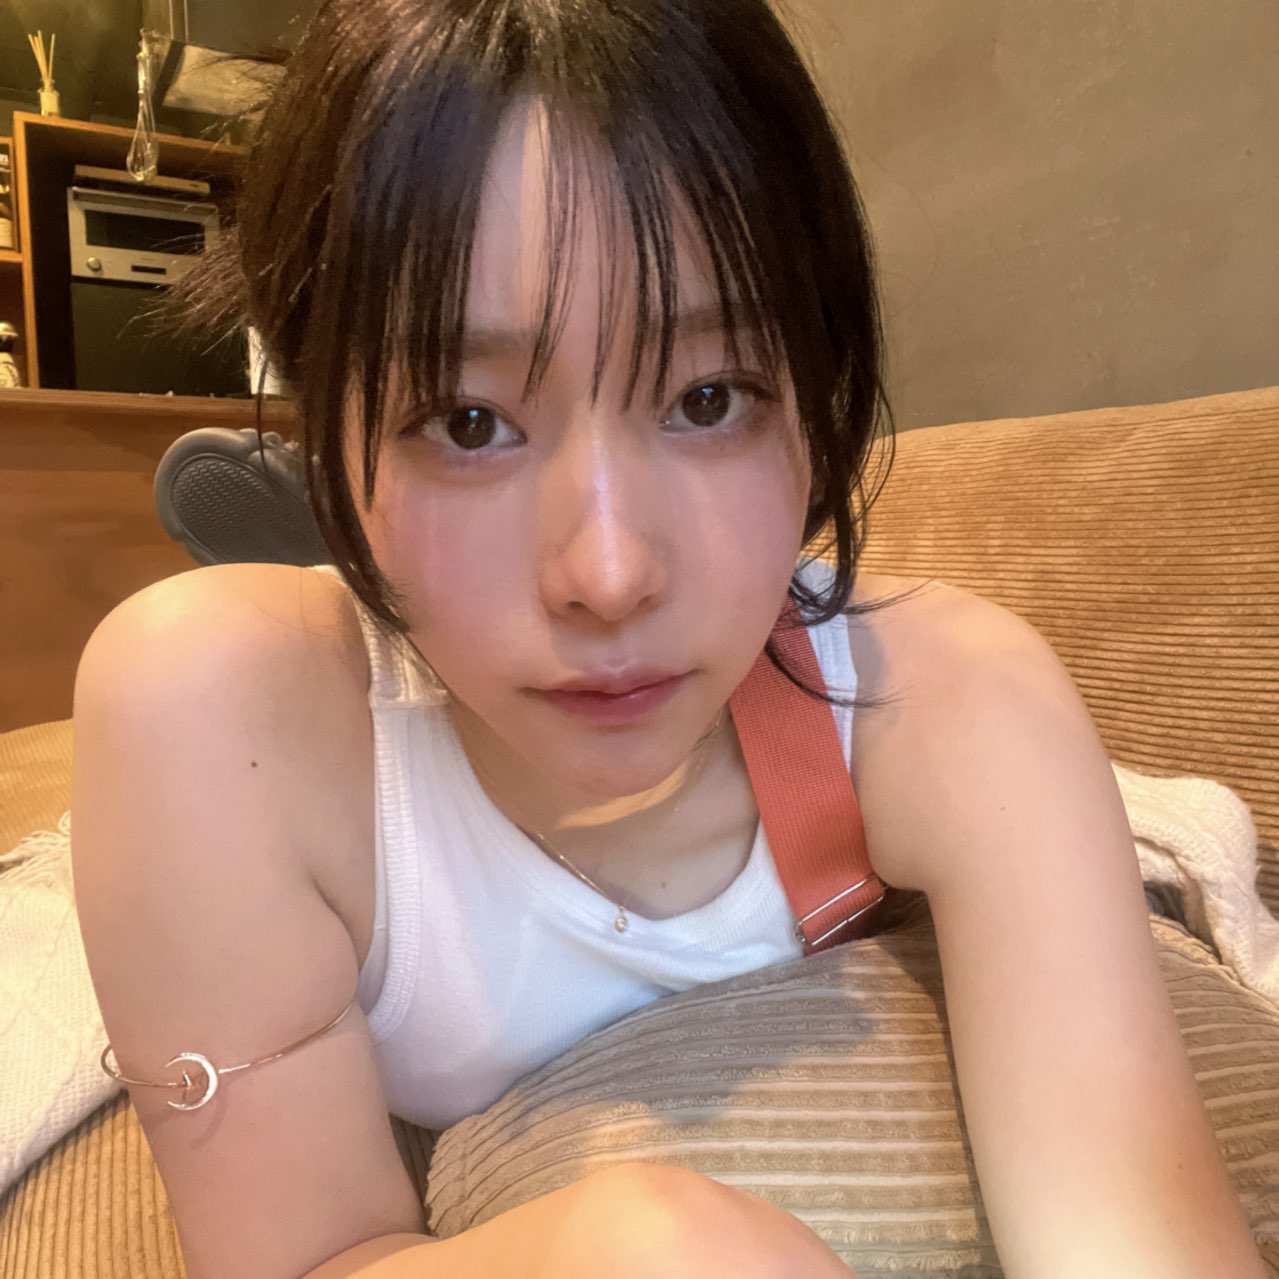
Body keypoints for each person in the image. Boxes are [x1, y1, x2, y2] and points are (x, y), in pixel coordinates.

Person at [69, 2, 1267, 1277]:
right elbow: (303, 1255)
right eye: (467, 421)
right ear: (328, 413)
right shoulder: (217, 715)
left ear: (818, 394)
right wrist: (639, 1245)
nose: (609, 574)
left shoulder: (945, 696)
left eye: (708, 398)